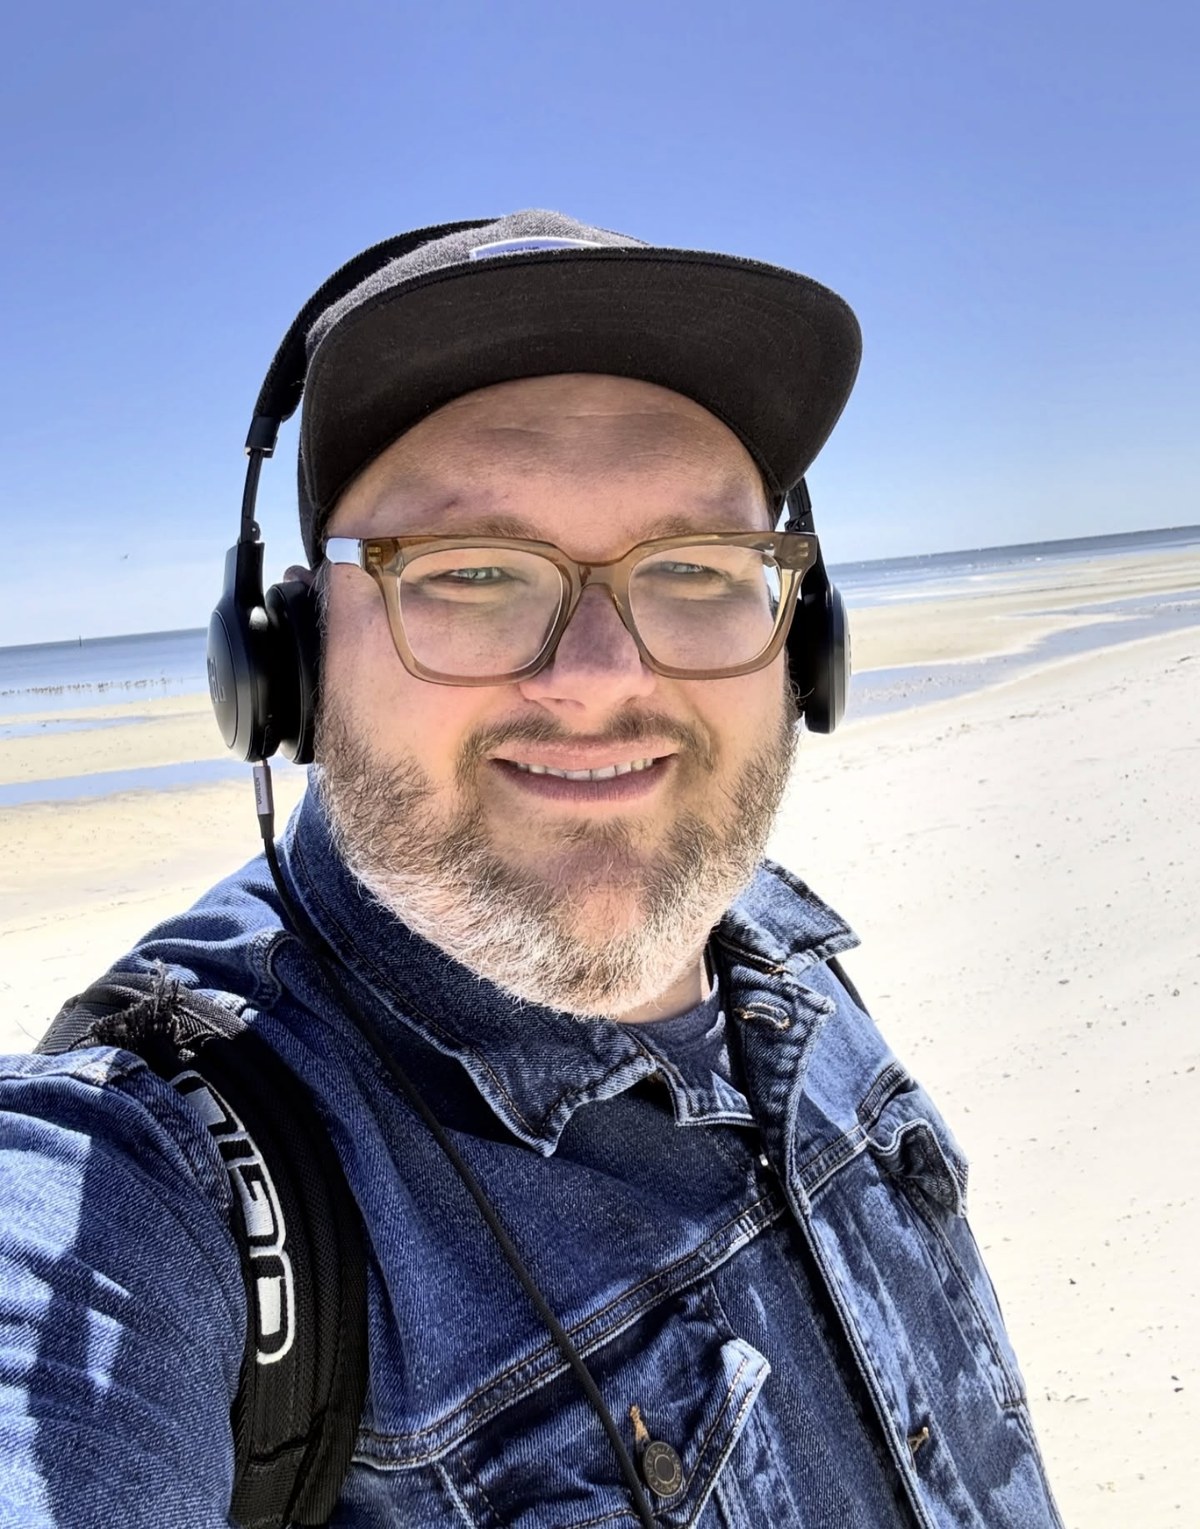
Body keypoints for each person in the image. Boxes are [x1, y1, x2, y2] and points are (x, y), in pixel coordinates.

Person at [0, 211, 1062, 1526]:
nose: (602, 678)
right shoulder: (159, 1175)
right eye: (472, 571)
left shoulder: (777, 947)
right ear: (291, 659)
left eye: (694, 565)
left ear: (804, 636)